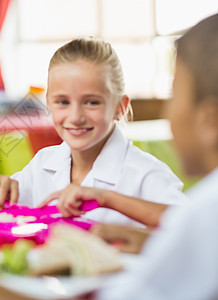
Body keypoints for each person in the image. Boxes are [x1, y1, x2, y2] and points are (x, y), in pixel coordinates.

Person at [0, 37, 188, 227]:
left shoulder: (145, 174)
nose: (75, 116)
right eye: (62, 102)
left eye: (92, 102)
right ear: (48, 104)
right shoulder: (43, 165)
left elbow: (192, 227)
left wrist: (105, 198)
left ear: (119, 107)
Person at [94, 13, 218, 300]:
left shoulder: (207, 213)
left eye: (174, 96)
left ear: (211, 121)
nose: (167, 114)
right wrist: (157, 244)